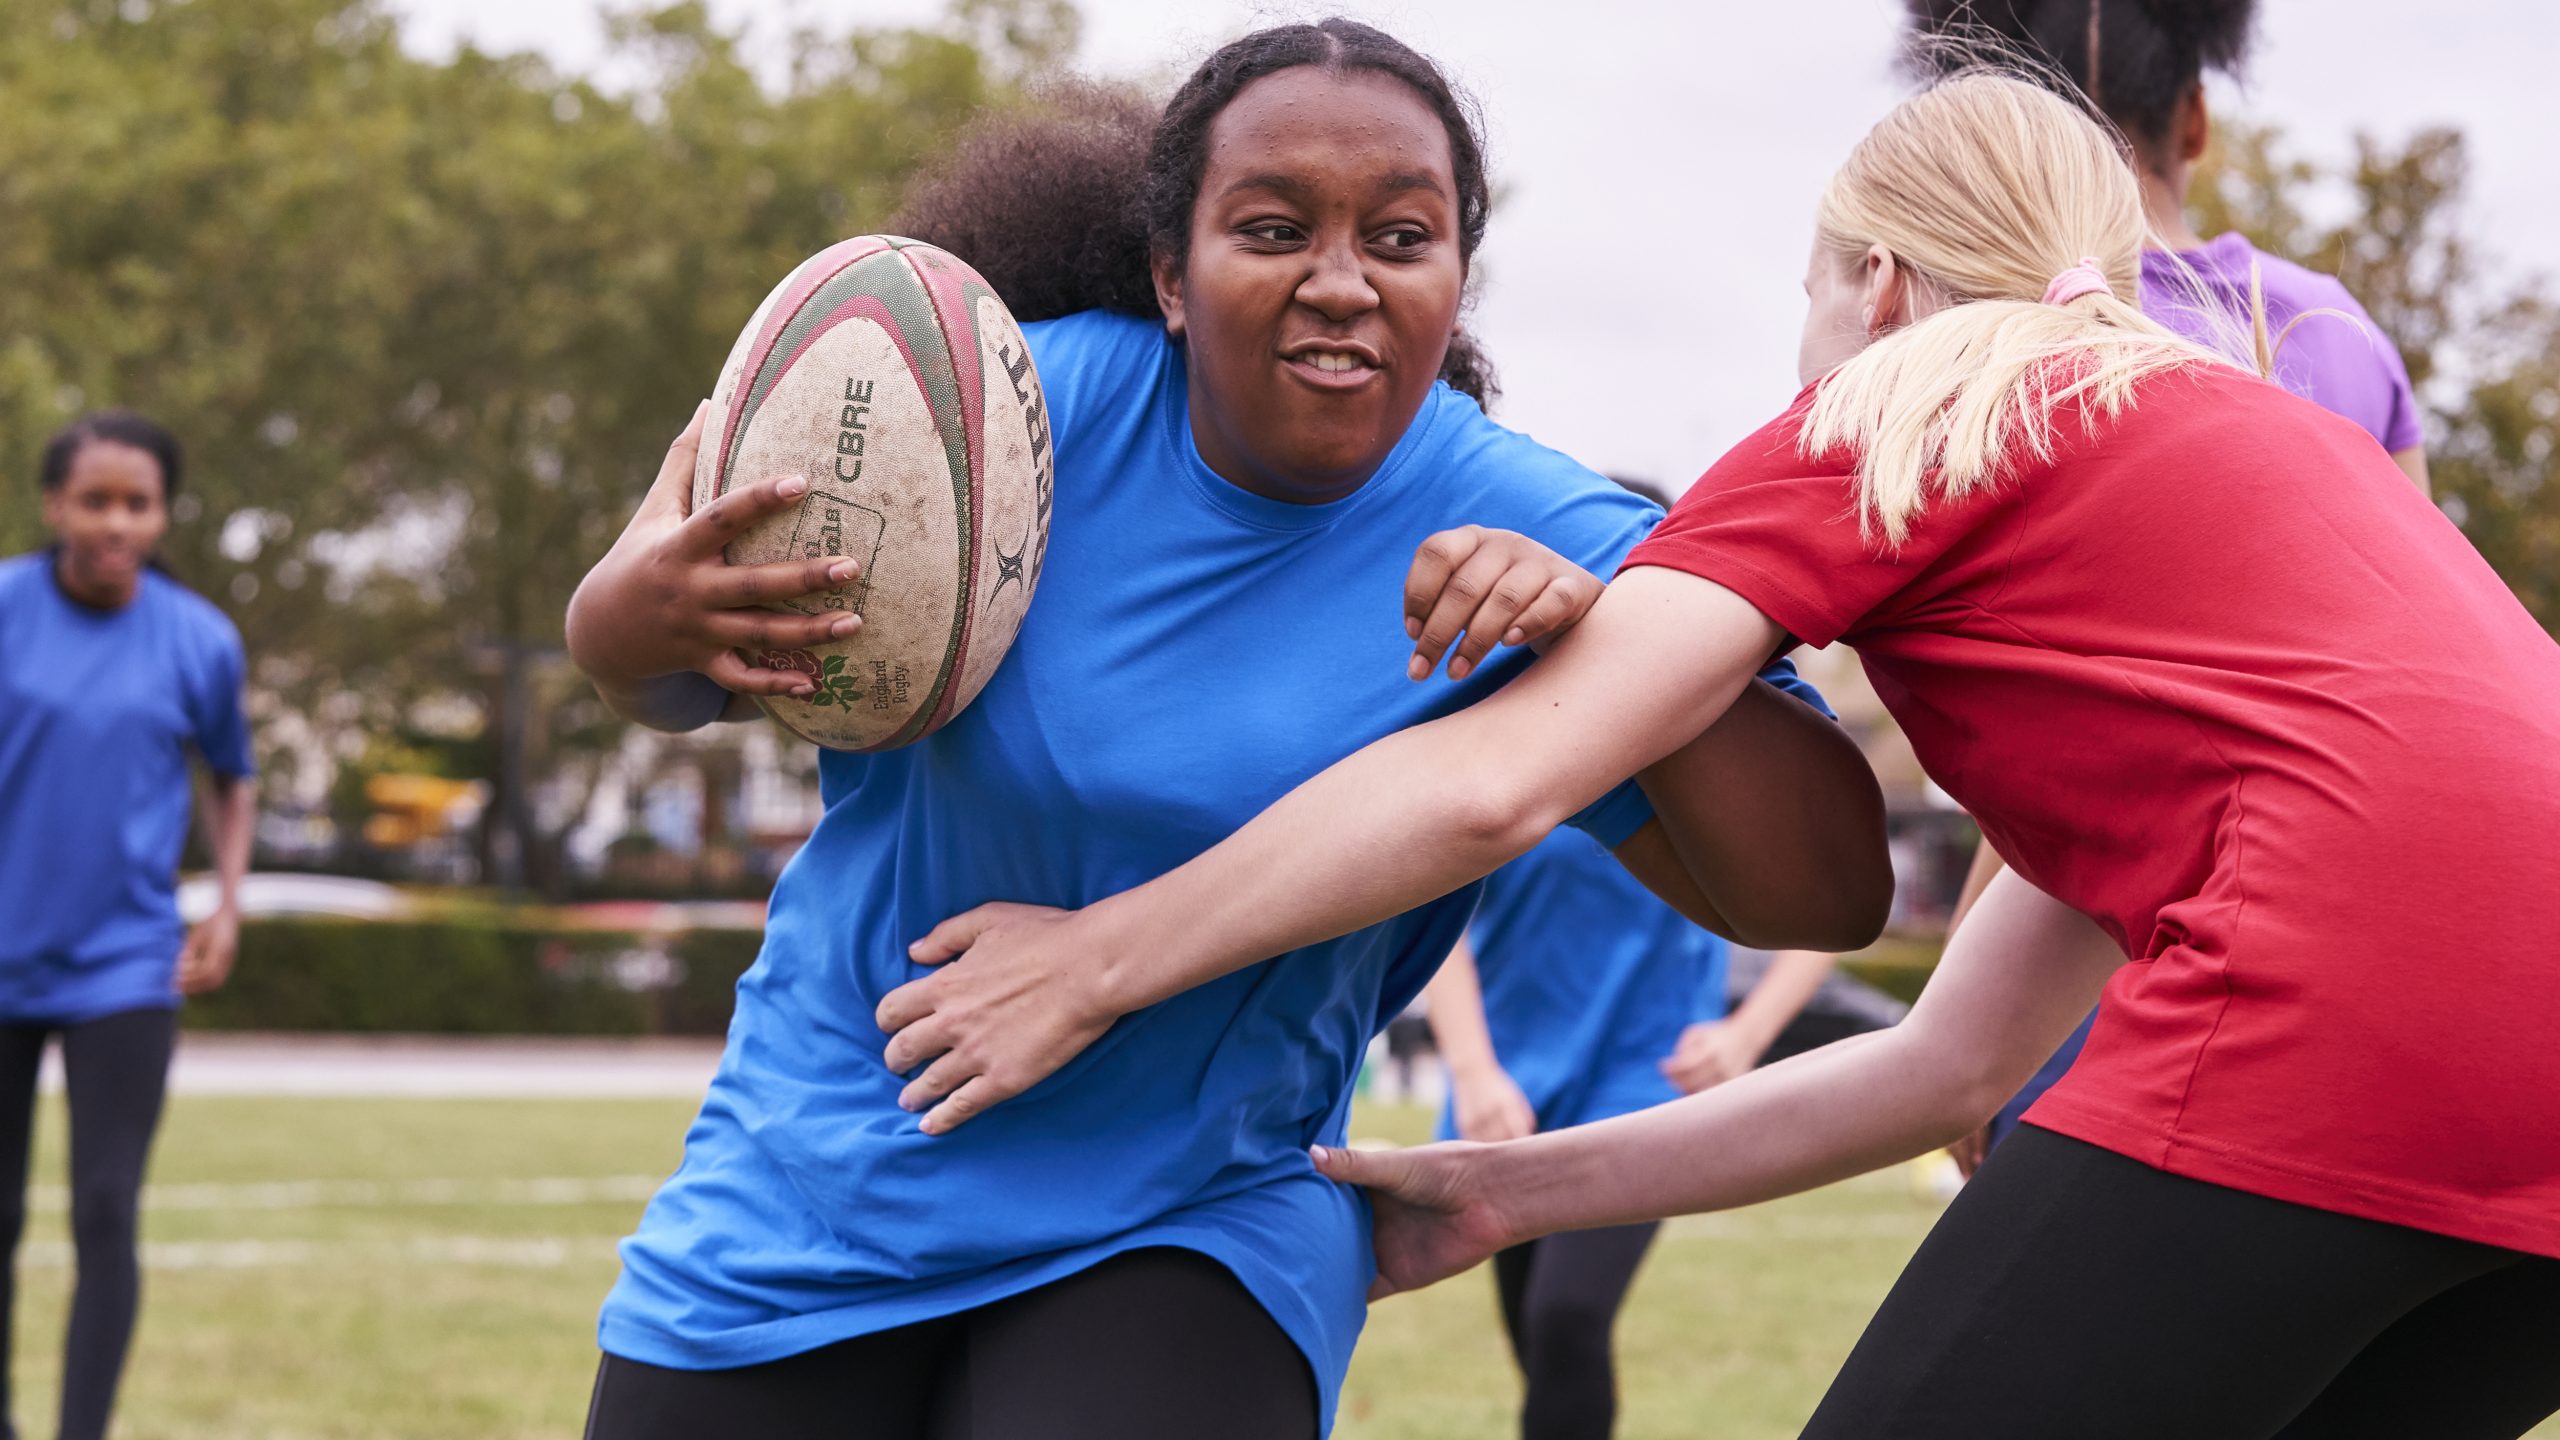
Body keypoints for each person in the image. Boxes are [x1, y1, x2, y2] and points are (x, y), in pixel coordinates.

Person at [877, 71, 2560, 1438]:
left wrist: (1095, 962)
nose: (1805, 348)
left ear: (1876, 287)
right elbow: (1950, 1071)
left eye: (1810, 298)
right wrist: (1500, 1193)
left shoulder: (1893, 409)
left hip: (2341, 1013)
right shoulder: (2246, 482)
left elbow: (1497, 780)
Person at [563, 24, 1890, 1439]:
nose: (1341, 282)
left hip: (1193, 1220)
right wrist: (623, 618)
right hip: (819, 1172)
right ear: (1168, 276)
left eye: (1401, 235)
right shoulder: (986, 412)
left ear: (1456, 275)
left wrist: (1604, 645)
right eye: (1272, 230)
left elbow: (1820, 893)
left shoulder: (1539, 528)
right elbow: (674, 682)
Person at [1903, 0, 2436, 1176]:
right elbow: (2430, 641)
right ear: (2195, 118)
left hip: (2093, 935)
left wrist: (1958, 1024)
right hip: (2346, 934)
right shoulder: (2339, 332)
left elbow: (2042, 734)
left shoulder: (1993, 341)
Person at [0, 412, 254, 1440]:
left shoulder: (200, 639)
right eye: (95, 499)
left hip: (125, 966)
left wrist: (228, 902)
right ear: (55, 504)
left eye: (136, 502)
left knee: (105, 1210)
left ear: (161, 514)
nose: (116, 521)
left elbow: (231, 780)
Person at [1428, 818, 1838, 1440]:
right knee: (1539, 1338)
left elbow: (1829, 905)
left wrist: (1746, 1034)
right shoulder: (1488, 739)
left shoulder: (1699, 744)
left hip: (1647, 1080)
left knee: (1567, 1314)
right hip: (1511, 1087)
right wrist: (1473, 1070)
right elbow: (1429, 916)